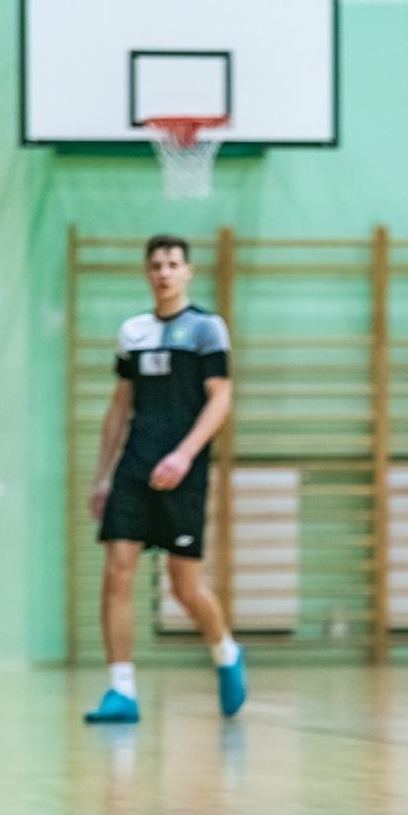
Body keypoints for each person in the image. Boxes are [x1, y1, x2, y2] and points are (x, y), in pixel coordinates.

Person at [85, 235, 246, 725]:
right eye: (155, 264)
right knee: (117, 571)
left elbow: (220, 398)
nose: (163, 271)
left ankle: (225, 653)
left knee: (184, 588)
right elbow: (120, 407)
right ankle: (122, 691)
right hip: (134, 468)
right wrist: (102, 476)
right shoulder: (132, 331)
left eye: (173, 263)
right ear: (146, 272)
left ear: (187, 272)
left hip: (183, 472)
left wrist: (183, 455)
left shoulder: (205, 329)